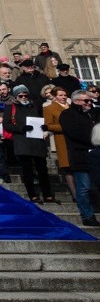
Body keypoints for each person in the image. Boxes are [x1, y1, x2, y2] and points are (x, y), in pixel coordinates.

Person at [2, 84, 58, 205]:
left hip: (37, 140)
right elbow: (6, 124)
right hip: (22, 140)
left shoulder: (35, 105)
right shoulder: (10, 107)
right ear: (16, 96)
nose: (23, 97)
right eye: (20, 95)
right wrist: (21, 128)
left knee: (42, 169)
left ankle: (47, 194)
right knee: (27, 170)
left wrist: (44, 127)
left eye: (25, 95)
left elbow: (43, 119)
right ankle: (32, 194)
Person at [59, 89, 100, 226]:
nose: (90, 103)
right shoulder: (67, 115)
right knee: (84, 187)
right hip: (80, 155)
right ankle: (87, 216)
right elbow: (74, 133)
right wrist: (95, 138)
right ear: (76, 101)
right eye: (86, 101)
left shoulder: (95, 113)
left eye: (91, 100)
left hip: (96, 155)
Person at [43, 86, 76, 201]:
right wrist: (66, 127)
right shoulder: (50, 108)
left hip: (76, 140)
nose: (63, 97)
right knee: (68, 168)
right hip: (62, 139)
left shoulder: (73, 107)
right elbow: (49, 125)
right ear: (55, 96)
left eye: (65, 95)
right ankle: (75, 194)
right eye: (60, 95)